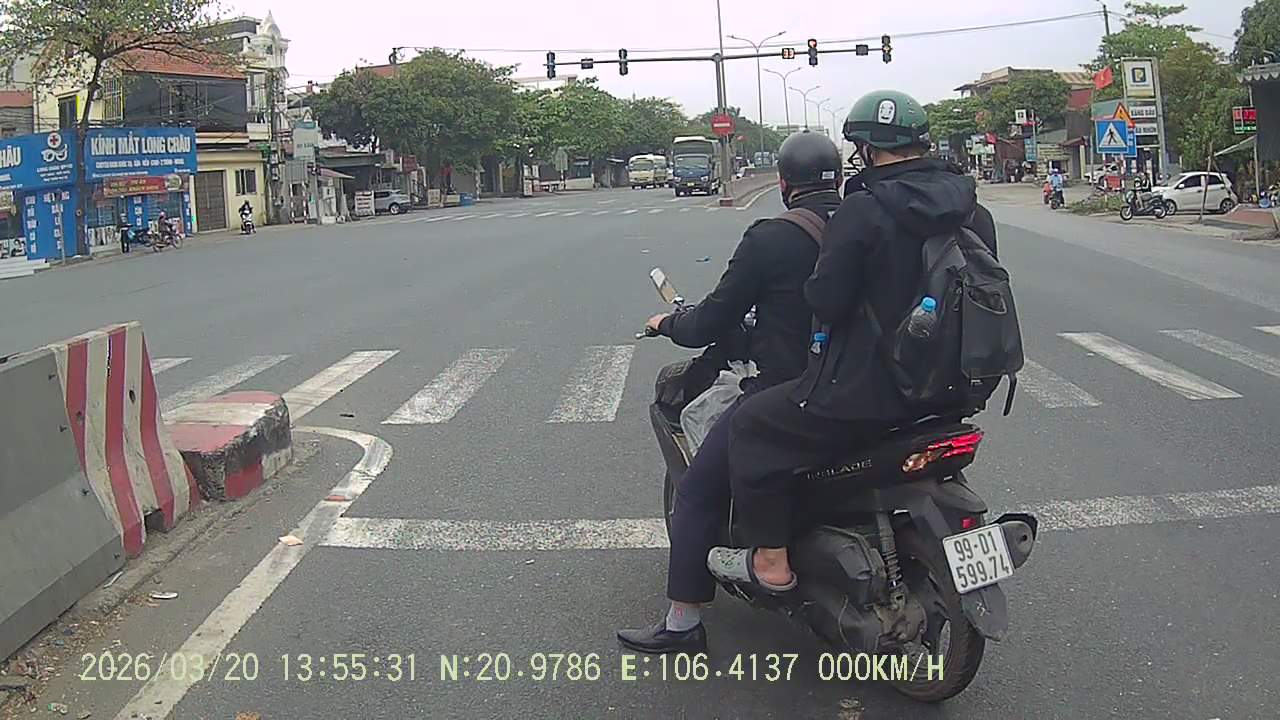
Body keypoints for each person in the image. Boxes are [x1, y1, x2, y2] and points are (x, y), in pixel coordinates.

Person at [705, 90, 999, 595]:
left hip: (870, 392)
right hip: (955, 388)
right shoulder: (973, 211)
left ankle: (771, 561)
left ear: (865, 149)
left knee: (753, 424)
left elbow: (827, 299)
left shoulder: (862, 211)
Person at [615, 131, 844, 654]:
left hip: (795, 392)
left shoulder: (770, 239)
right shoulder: (867, 229)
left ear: (783, 183)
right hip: (873, 386)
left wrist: (670, 322)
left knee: (698, 489)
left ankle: (683, 622)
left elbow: (712, 320)